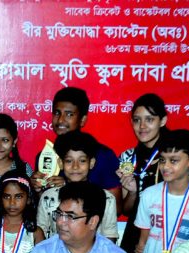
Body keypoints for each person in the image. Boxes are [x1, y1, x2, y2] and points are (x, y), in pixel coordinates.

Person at [116, 94, 189, 253]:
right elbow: (126, 211)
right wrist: (132, 193)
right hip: (137, 232)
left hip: (173, 233)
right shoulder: (128, 157)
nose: (142, 126)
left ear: (162, 121)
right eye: (137, 120)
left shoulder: (181, 154)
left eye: (149, 119)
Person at [30, 87, 123, 215]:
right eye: (57, 113)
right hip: (54, 231)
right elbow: (43, 209)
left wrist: (68, 188)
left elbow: (116, 209)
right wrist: (38, 189)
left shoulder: (103, 155)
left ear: (83, 120)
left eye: (69, 114)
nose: (61, 120)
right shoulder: (45, 156)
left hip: (90, 232)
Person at [36, 130, 119, 242]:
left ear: (92, 163)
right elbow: (39, 234)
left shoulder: (107, 198)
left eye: (82, 161)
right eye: (69, 161)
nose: (75, 167)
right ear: (60, 163)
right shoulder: (48, 197)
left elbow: (110, 237)